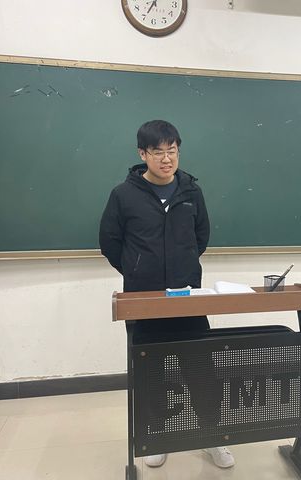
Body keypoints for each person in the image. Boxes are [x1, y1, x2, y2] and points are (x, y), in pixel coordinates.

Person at [99, 120, 234, 469]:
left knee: (201, 369)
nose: (166, 159)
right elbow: (110, 242)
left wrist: (183, 268)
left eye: (172, 151)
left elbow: (201, 236)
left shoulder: (191, 192)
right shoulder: (123, 195)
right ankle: (156, 436)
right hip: (144, 300)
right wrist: (136, 270)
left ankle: (212, 435)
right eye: (157, 152)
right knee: (151, 370)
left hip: (187, 297)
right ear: (142, 154)